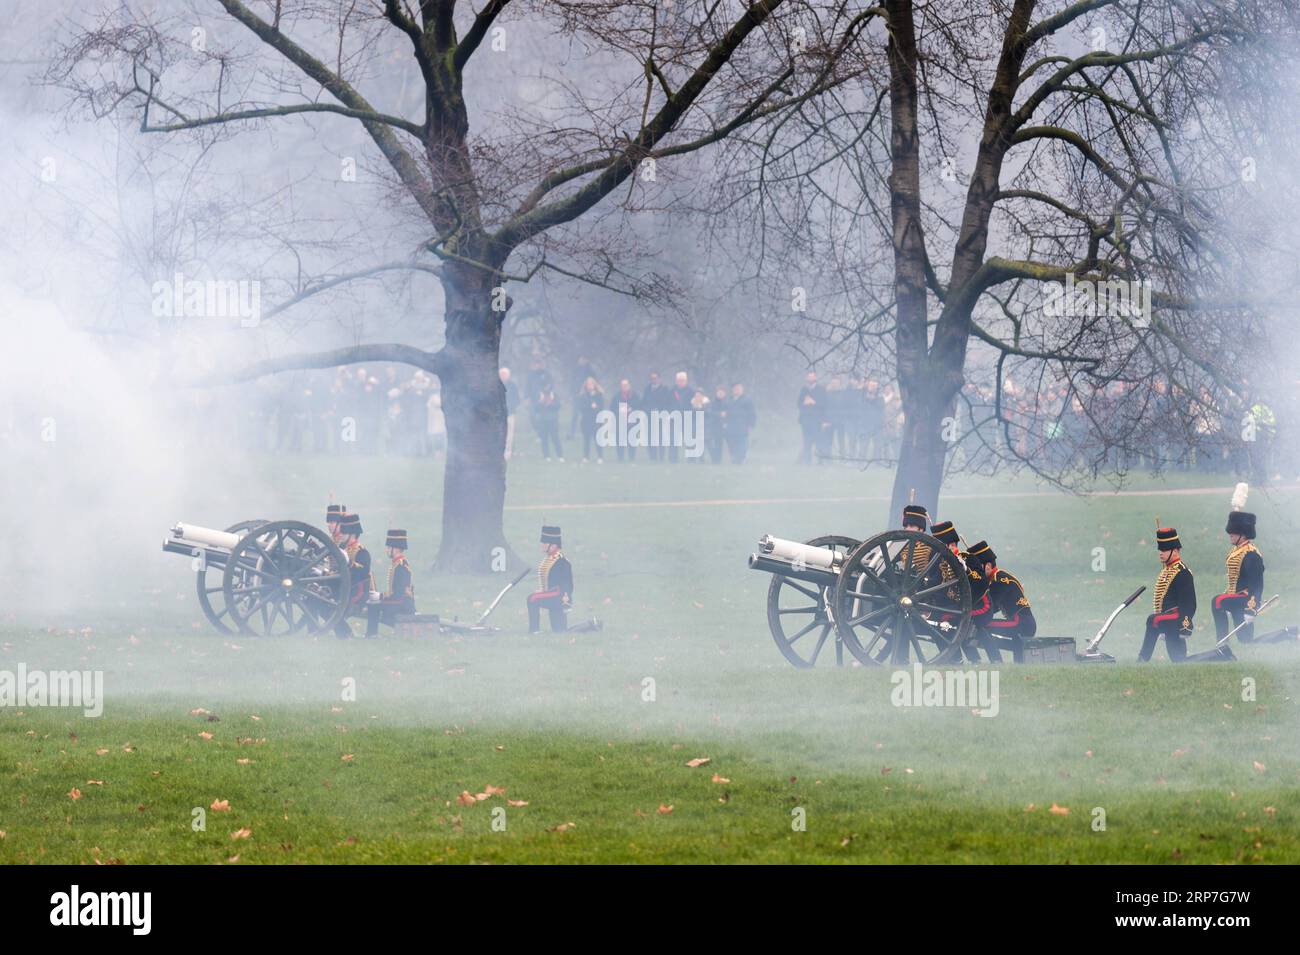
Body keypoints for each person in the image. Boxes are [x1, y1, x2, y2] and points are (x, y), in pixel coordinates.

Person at [966, 541, 1036, 663]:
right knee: (981, 626)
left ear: (987, 566)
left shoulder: (999, 580)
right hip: (1018, 621)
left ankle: (996, 661)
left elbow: (990, 608)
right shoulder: (996, 578)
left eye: (978, 568)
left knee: (982, 626)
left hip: (1021, 622)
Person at [1138, 527, 1195, 662]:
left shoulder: (1183, 572)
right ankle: (1218, 656)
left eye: (1164, 550)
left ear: (1175, 551)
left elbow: (1189, 603)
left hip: (1177, 618)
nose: (1160, 553)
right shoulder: (1167, 571)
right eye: (1160, 550)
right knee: (1180, 661)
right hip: (1168, 618)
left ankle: (1142, 660)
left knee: (1153, 620)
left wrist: (1184, 625)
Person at [1212, 509, 1264, 646]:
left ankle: (1222, 643)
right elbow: (1235, 578)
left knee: (1217, 601)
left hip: (1246, 599)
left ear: (1243, 534)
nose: (1230, 534)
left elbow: (1256, 584)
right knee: (1246, 640)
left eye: (1234, 532)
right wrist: (1229, 595)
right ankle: (1283, 635)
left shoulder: (1251, 554)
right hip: (1236, 597)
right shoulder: (1237, 551)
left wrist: (1251, 608)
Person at [366, 529, 416, 638]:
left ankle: (372, 634)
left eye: (389, 547)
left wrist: (380, 596)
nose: (387, 550)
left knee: (374, 605)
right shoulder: (397, 564)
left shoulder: (401, 566)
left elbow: (398, 592)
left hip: (403, 603)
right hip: (399, 601)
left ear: (396, 548)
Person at [335, 513, 375, 639]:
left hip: (356, 593)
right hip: (343, 590)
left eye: (343, 531)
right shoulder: (342, 549)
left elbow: (362, 574)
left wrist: (349, 562)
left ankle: (346, 633)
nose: (340, 534)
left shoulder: (362, 552)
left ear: (352, 533)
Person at [528, 525, 573, 633]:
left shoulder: (562, 562)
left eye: (544, 543)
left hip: (559, 596)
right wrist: (543, 591)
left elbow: (566, 586)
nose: (541, 545)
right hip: (553, 593)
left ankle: (534, 631)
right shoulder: (549, 559)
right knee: (560, 631)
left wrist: (565, 603)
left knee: (532, 598)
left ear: (553, 546)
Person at [797, 371, 825, 464]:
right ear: (807, 378)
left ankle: (820, 461)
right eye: (809, 377)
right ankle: (807, 461)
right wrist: (804, 403)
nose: (811, 379)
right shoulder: (804, 389)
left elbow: (823, 404)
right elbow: (798, 404)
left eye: (812, 377)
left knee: (818, 442)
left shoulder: (821, 389)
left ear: (815, 378)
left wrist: (813, 403)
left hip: (816, 421)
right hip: (805, 421)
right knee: (807, 442)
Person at [609, 378, 639, 462]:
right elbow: (612, 409)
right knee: (620, 441)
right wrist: (619, 411)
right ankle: (620, 458)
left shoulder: (635, 395)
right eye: (622, 385)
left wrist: (631, 409)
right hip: (620, 422)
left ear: (629, 386)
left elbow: (639, 406)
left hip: (632, 422)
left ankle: (631, 457)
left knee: (632, 441)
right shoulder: (617, 396)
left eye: (626, 385)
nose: (624, 387)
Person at [577, 377, 605, 463]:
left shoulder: (599, 395)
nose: (590, 386)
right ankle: (586, 457)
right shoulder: (583, 396)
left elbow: (601, 407)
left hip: (596, 420)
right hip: (586, 420)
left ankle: (600, 457)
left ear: (595, 385)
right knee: (586, 439)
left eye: (592, 384)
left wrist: (596, 408)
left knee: (598, 439)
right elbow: (581, 408)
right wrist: (590, 407)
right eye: (588, 384)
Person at [533, 383, 564, 461]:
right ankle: (546, 456)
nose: (546, 388)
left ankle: (560, 455)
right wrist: (540, 401)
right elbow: (535, 408)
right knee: (544, 439)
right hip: (542, 420)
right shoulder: (539, 395)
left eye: (548, 386)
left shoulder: (554, 395)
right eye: (545, 386)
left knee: (555, 438)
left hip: (553, 420)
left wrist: (551, 403)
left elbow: (558, 406)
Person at [726, 383, 755, 463]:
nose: (737, 390)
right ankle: (734, 458)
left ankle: (740, 459)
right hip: (731, 426)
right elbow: (726, 412)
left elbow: (752, 413)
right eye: (735, 388)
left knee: (742, 443)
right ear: (732, 390)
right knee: (731, 443)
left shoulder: (747, 400)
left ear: (742, 390)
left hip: (742, 426)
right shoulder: (729, 400)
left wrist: (750, 425)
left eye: (739, 388)